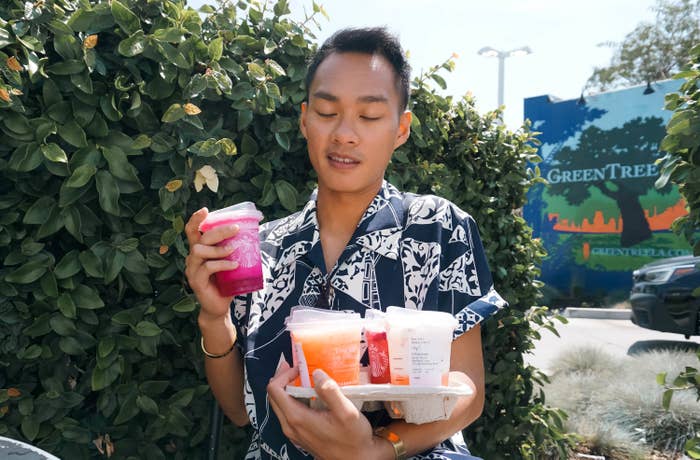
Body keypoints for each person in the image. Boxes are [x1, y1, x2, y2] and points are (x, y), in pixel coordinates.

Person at [184, 27, 507, 460]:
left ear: (401, 129)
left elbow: (468, 388)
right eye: (326, 111)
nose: (345, 134)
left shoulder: (437, 228)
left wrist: (379, 449)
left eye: (370, 116)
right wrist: (213, 314)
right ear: (304, 119)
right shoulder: (261, 250)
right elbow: (240, 413)